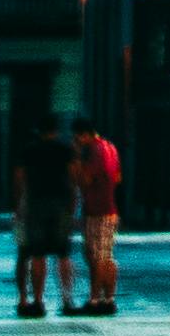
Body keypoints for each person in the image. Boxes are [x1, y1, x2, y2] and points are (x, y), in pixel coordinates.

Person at [12, 118, 76, 318]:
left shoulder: (29, 150)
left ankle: (38, 301)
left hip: (36, 204)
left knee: (37, 253)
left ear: (39, 132)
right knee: (63, 253)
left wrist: (18, 206)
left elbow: (19, 178)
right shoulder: (66, 150)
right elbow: (74, 176)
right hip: (61, 204)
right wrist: (73, 204)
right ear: (56, 131)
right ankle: (66, 298)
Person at [68, 113, 123, 314]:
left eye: (76, 138)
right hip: (110, 208)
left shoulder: (92, 151)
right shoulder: (111, 148)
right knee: (107, 255)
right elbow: (117, 177)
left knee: (95, 256)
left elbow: (85, 180)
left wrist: (76, 161)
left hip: (96, 210)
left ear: (83, 135)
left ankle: (94, 299)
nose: (76, 142)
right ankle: (109, 297)